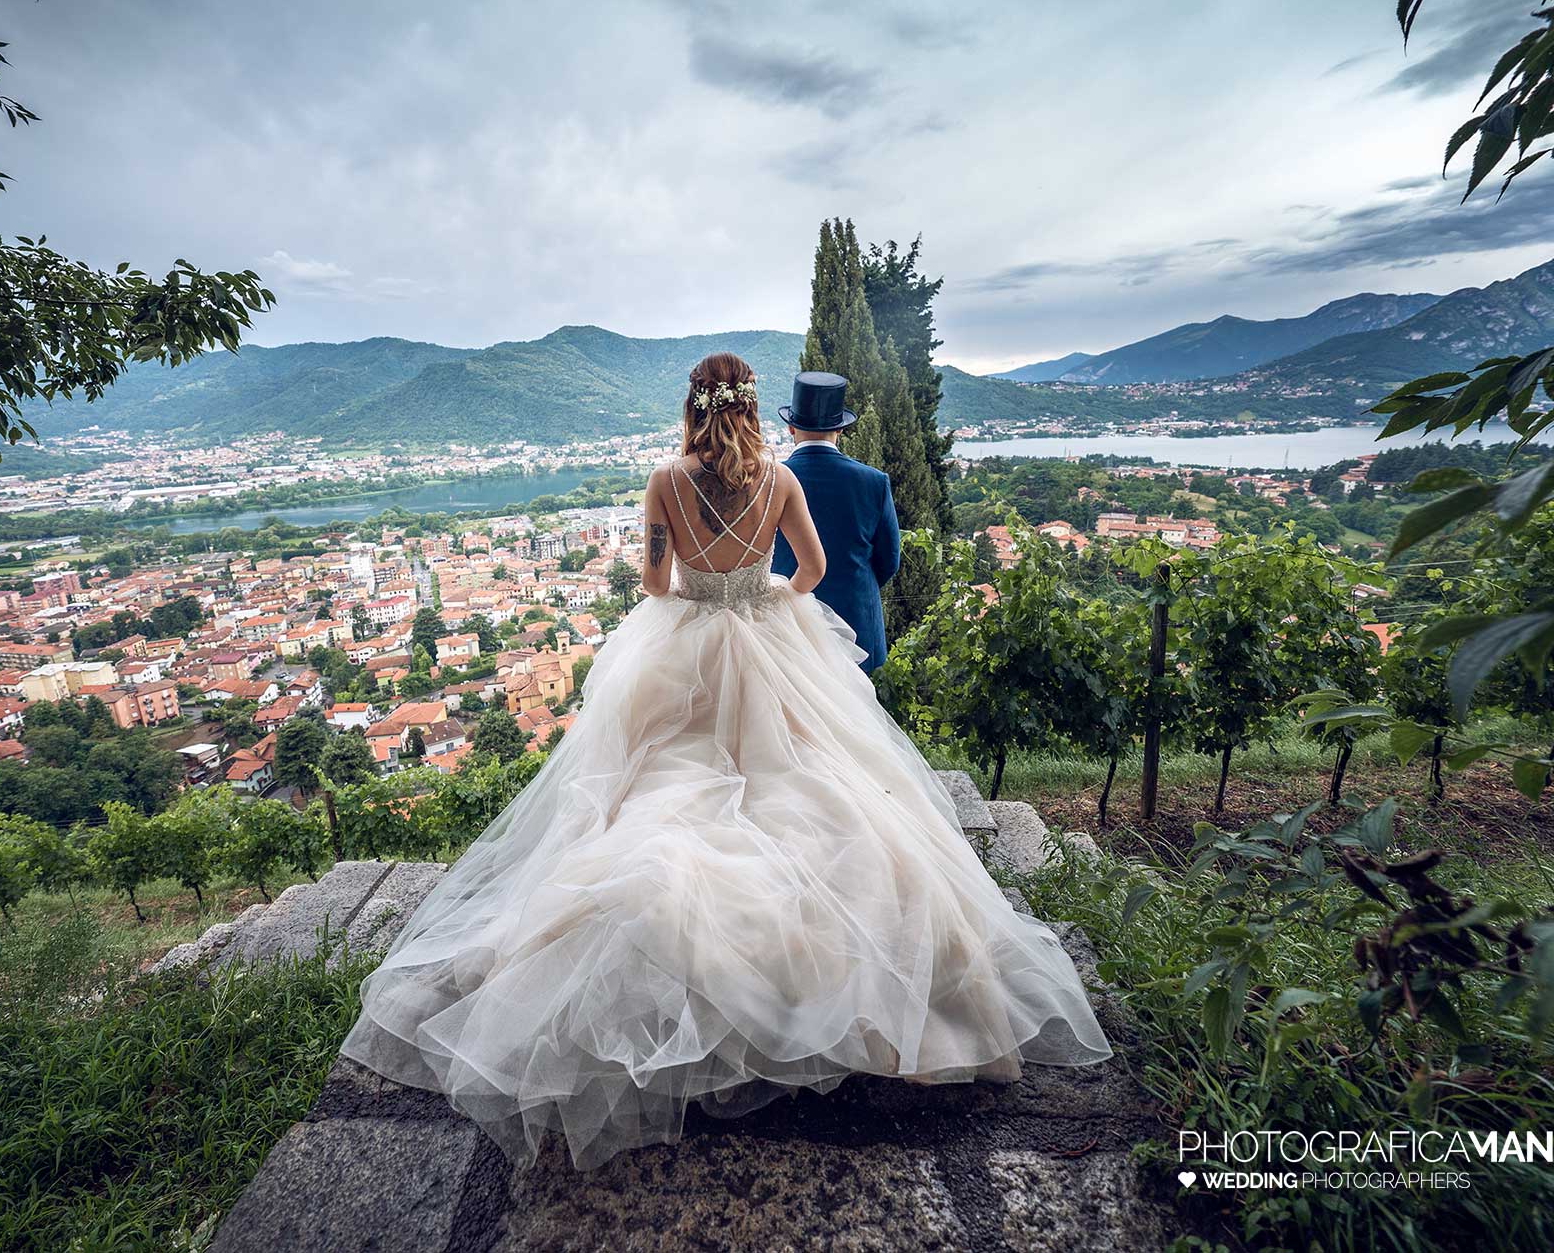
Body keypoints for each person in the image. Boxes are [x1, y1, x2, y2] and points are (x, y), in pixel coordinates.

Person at [339, 351, 1110, 1171]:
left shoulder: (666, 481)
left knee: (662, 768)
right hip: (769, 635)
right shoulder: (780, 481)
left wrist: (701, 591)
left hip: (688, 643)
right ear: (749, 408)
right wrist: (763, 597)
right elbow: (812, 571)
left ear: (693, 407)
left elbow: (654, 581)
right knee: (814, 772)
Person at [768, 370, 899, 674]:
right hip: (857, 624)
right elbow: (889, 560)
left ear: (791, 427)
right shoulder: (874, 482)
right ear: (840, 429)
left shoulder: (770, 481)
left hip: (787, 626)